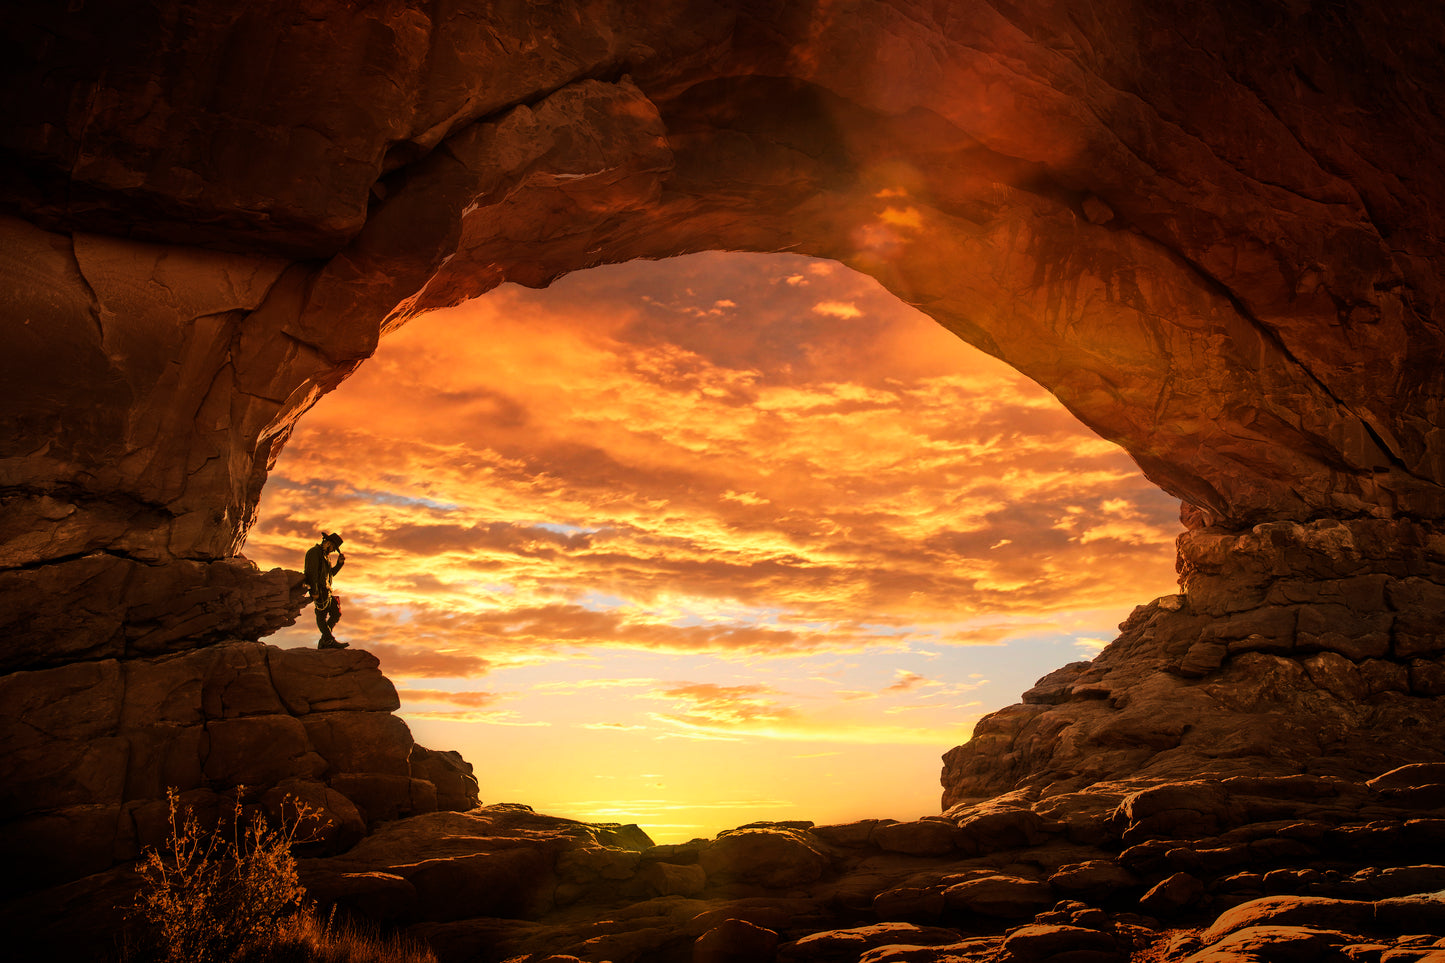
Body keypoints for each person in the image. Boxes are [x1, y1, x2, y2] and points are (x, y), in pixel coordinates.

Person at [304, 532, 348, 649]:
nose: (333, 550)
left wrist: (339, 564)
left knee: (335, 613)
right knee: (321, 616)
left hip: (327, 591)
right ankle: (328, 640)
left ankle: (325, 639)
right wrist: (314, 591)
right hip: (320, 591)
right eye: (333, 547)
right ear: (328, 543)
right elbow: (311, 573)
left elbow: (330, 574)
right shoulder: (314, 553)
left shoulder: (325, 556)